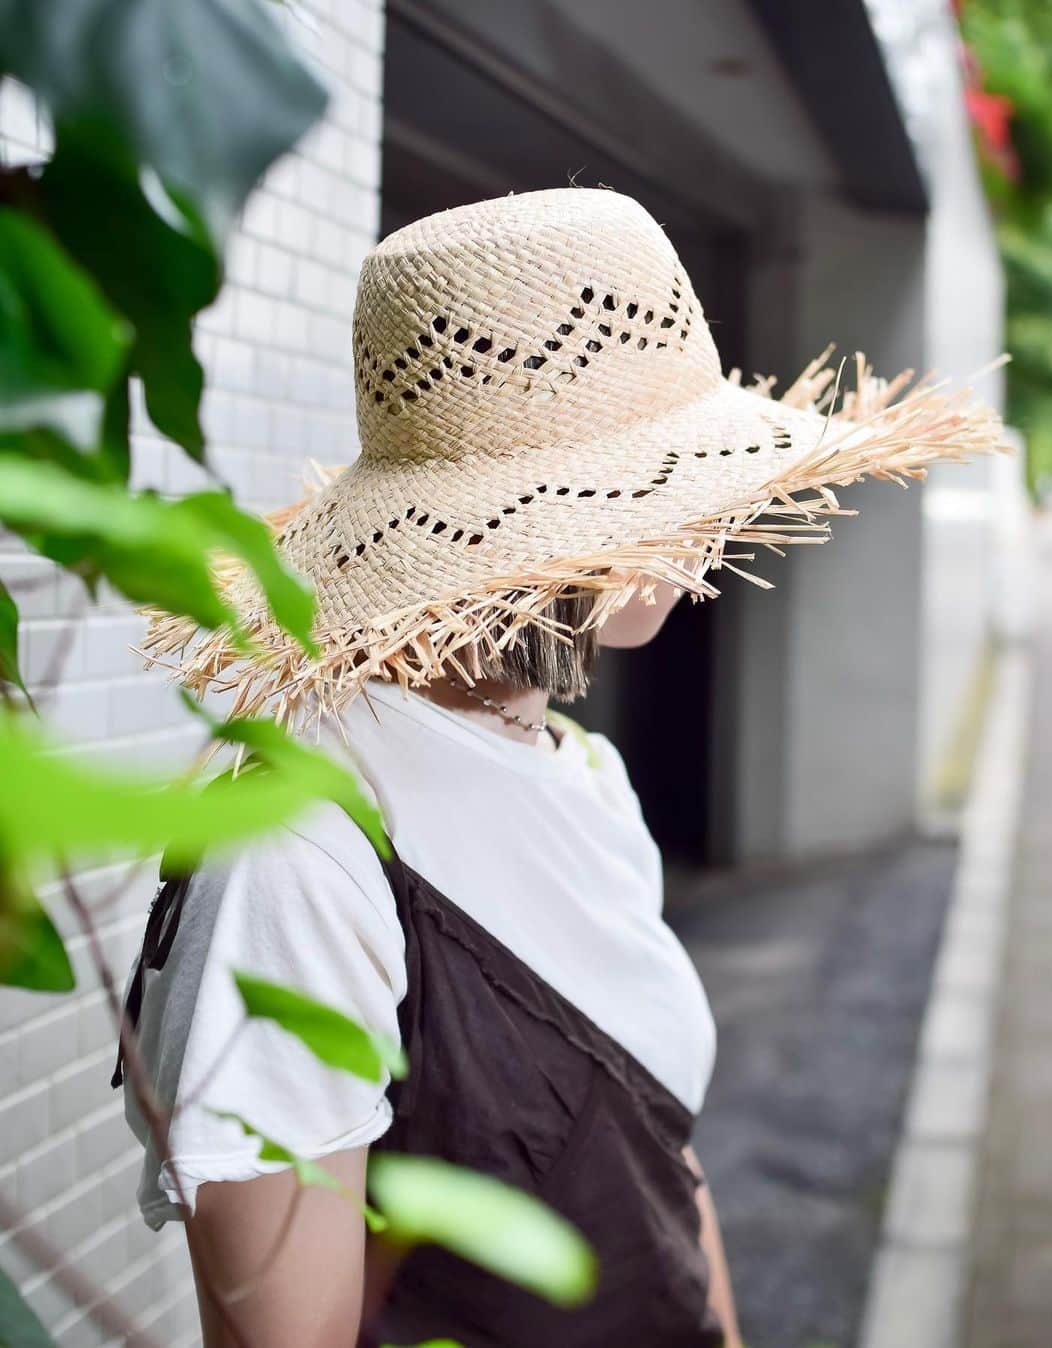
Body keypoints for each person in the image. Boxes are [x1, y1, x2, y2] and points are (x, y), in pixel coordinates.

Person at [117, 188, 1003, 1347]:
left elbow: (665, 1169)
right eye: (677, 496)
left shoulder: (581, 770)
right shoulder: (302, 852)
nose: (710, 546)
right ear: (549, 541)